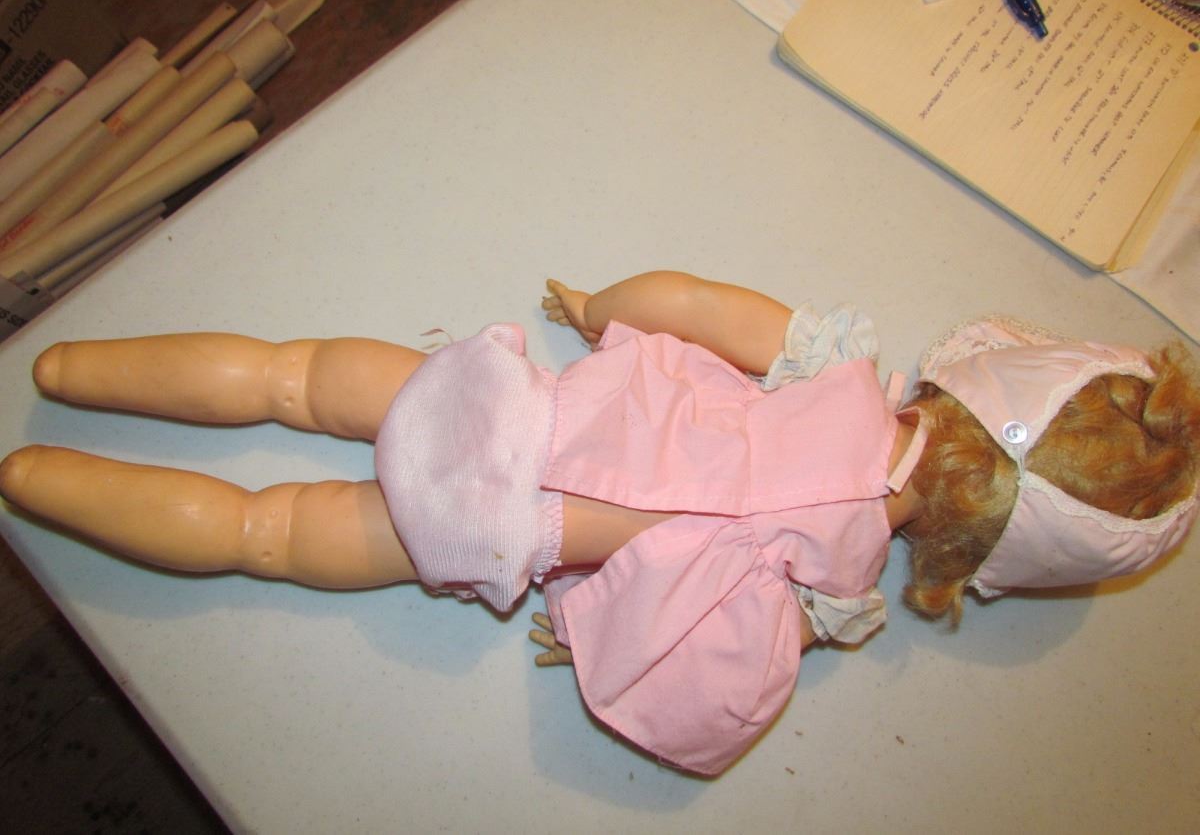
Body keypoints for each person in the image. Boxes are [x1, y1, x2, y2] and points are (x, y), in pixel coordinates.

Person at [1, 270, 1197, 775]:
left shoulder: (833, 369)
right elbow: (712, 674)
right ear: (978, 554)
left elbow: (686, 302)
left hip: (515, 399)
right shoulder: (833, 580)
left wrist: (598, 305)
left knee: (292, 376)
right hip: (505, 531)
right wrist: (586, 616)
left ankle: (63, 367)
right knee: (263, 532)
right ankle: (35, 478)